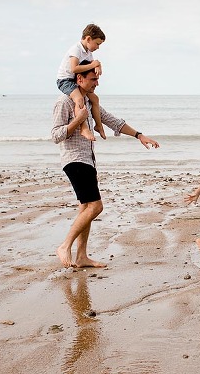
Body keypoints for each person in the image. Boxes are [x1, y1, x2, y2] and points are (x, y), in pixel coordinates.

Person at [51, 61, 159, 268]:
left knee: (85, 208)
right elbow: (56, 135)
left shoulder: (90, 102)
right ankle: (65, 246)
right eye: (93, 79)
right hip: (74, 160)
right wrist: (77, 121)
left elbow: (113, 121)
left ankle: (81, 256)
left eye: (98, 79)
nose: (97, 83)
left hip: (88, 160)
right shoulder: (64, 102)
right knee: (96, 206)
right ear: (79, 79)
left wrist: (139, 135)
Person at [56, 23, 106, 142]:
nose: (98, 47)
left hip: (74, 80)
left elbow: (92, 67)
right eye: (97, 43)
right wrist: (94, 64)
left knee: (95, 99)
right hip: (65, 80)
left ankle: (98, 125)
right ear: (88, 39)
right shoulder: (76, 49)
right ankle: (83, 128)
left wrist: (98, 65)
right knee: (79, 99)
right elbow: (74, 69)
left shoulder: (88, 53)